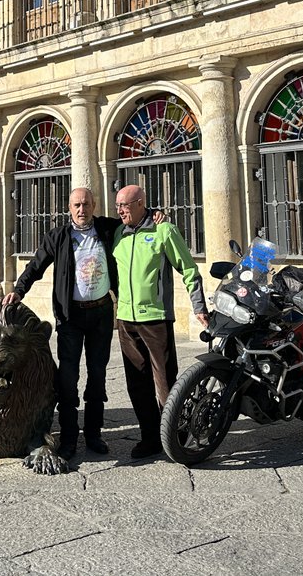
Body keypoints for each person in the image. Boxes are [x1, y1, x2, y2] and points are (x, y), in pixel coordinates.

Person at [4, 187, 122, 460]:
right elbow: (35, 266)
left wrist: (153, 214)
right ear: (69, 208)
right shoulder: (58, 236)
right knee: (68, 379)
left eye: (86, 204)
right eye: (77, 205)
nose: (82, 210)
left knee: (98, 376)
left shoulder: (107, 229)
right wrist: (19, 291)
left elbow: (131, 218)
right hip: (71, 317)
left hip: (101, 314)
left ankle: (93, 434)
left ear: (94, 205)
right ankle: (68, 437)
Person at [113, 184, 209, 459]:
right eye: (117, 206)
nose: (120, 211)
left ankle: (176, 436)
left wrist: (199, 306)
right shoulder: (119, 233)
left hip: (155, 318)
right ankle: (150, 438)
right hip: (126, 320)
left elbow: (189, 269)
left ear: (140, 203)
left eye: (124, 206)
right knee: (136, 384)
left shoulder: (164, 230)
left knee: (165, 384)